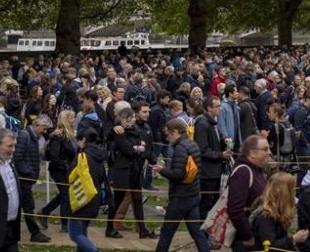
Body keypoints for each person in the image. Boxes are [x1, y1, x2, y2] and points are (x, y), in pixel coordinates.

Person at [153, 118, 211, 252]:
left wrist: (162, 170)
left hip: (180, 196)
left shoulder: (180, 148)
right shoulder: (192, 144)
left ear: (174, 132)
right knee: (197, 232)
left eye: (167, 135)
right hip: (193, 194)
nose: (167, 138)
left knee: (167, 232)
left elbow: (178, 174)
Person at [108, 106, 155, 238]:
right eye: (132, 117)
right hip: (122, 170)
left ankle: (142, 229)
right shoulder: (119, 131)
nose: (134, 119)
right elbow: (126, 148)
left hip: (135, 169)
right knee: (117, 200)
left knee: (138, 199)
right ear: (125, 118)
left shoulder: (136, 131)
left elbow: (143, 147)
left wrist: (137, 148)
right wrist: (136, 148)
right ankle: (109, 227)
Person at [225, 135, 269, 252]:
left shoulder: (257, 170)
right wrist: (247, 236)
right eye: (265, 149)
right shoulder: (243, 173)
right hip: (245, 241)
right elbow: (235, 209)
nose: (269, 153)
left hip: (258, 236)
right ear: (252, 153)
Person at [13, 114, 52, 242]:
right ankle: (34, 233)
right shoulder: (25, 135)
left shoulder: (34, 136)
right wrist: (27, 172)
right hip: (23, 177)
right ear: (36, 125)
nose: (44, 132)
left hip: (27, 177)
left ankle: (15, 233)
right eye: (44, 129)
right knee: (28, 206)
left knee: (21, 205)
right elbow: (18, 157)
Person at [67, 128, 107, 252]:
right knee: (82, 233)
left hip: (81, 197)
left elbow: (70, 175)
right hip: (94, 197)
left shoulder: (82, 156)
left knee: (75, 234)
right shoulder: (99, 156)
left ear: (83, 140)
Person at [251, 172, 310, 252]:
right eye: (292, 189)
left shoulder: (276, 212)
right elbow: (270, 246)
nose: (294, 193)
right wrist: (294, 239)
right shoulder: (265, 216)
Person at [41, 109, 77, 233]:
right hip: (59, 170)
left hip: (68, 169)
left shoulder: (71, 135)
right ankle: (64, 223)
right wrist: (64, 165)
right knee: (66, 194)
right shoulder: (57, 136)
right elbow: (54, 155)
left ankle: (44, 212)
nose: (74, 120)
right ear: (66, 120)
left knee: (64, 193)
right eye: (72, 118)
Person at [194, 95, 226, 219]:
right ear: (209, 108)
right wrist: (220, 155)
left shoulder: (213, 122)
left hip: (215, 170)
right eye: (217, 106)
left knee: (214, 203)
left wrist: (223, 142)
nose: (220, 109)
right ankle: (202, 235)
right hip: (207, 172)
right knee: (206, 204)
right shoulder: (202, 124)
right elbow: (202, 149)